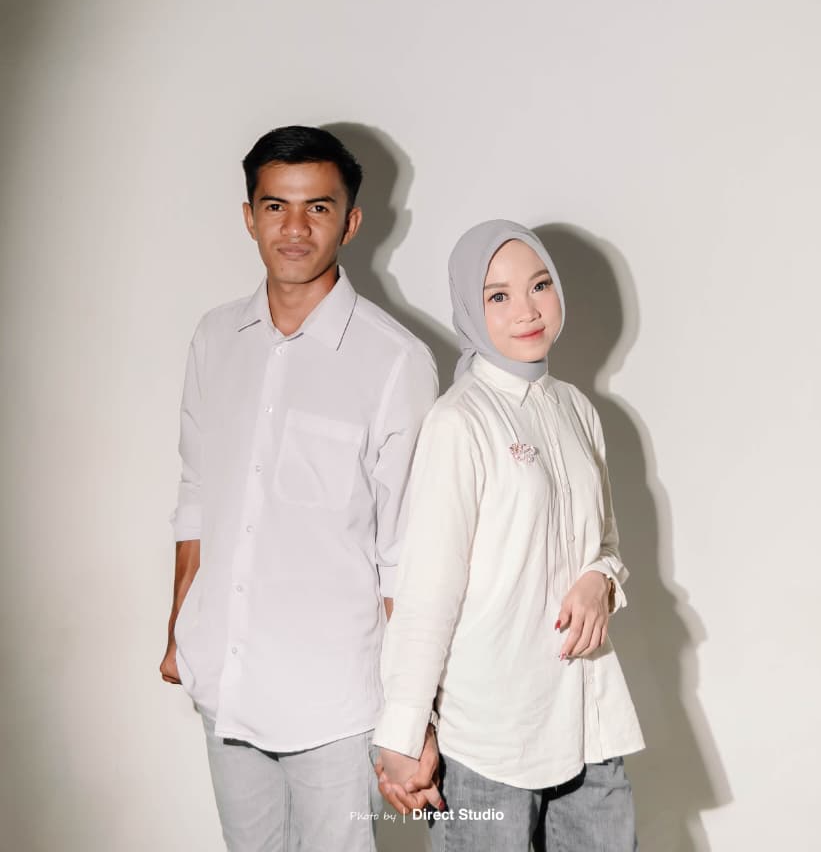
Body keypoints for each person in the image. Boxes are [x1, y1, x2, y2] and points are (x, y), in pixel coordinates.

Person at [159, 125, 439, 852]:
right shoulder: (214, 339)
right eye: (275, 206)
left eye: (317, 207)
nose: (294, 227)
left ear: (351, 221)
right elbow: (196, 494)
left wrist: (415, 712)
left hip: (334, 699)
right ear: (248, 216)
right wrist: (179, 629)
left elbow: (405, 553)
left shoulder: (395, 361)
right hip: (226, 678)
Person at [372, 220, 645, 849]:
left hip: (588, 720)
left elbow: (605, 543)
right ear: (470, 307)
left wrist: (601, 580)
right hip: (489, 740)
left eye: (540, 285)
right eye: (498, 295)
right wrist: (403, 734)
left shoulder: (578, 410)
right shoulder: (459, 422)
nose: (527, 310)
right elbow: (427, 593)